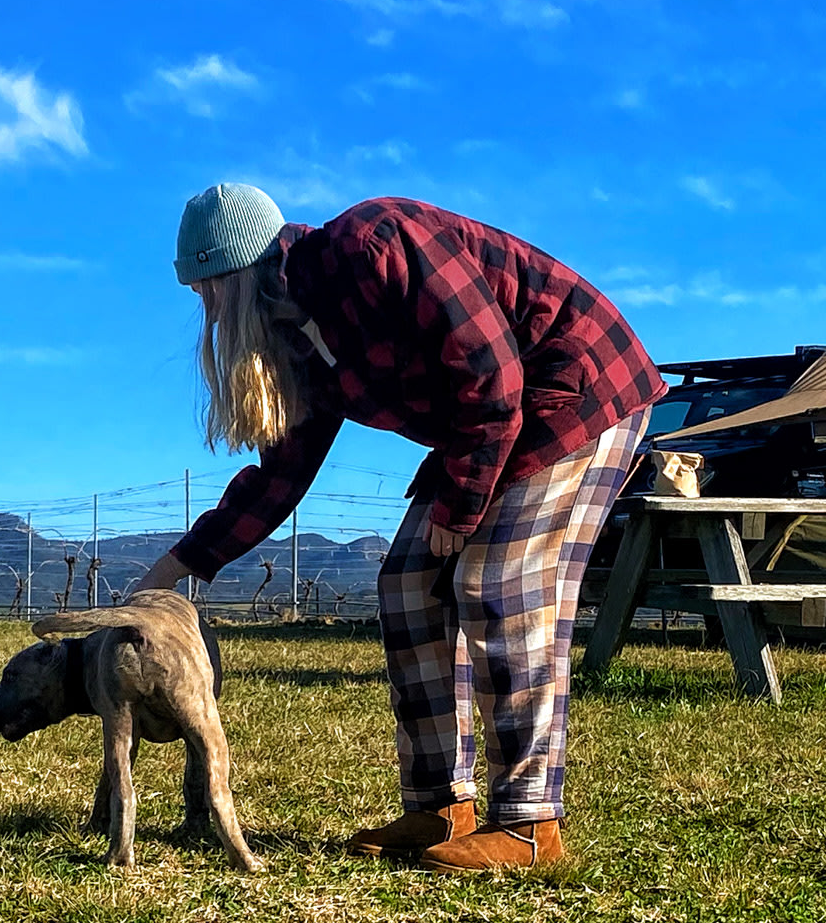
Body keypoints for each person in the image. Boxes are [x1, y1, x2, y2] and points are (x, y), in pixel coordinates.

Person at [135, 185, 662, 873]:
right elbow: (279, 475)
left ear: (238, 274)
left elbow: (491, 375)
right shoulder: (298, 344)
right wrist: (174, 568)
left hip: (579, 390)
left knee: (499, 581)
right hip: (490, 423)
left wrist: (459, 507)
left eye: (208, 290)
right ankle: (442, 805)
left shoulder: (374, 244)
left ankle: (530, 825)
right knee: (409, 583)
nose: (204, 309)